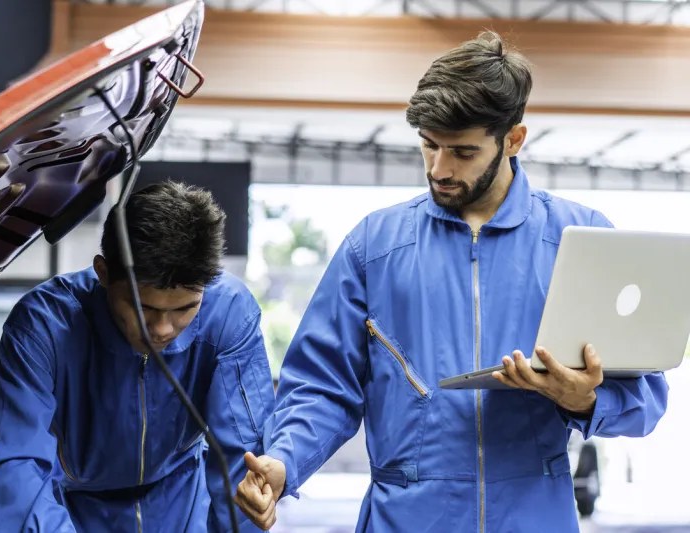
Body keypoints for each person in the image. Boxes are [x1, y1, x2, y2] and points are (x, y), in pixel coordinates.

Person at [234, 32, 670, 532]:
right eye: (428, 146)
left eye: (462, 151)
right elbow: (322, 387)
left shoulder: (580, 242)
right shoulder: (373, 248)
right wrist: (284, 460)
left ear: (513, 140)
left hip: (535, 517)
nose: (439, 169)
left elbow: (646, 400)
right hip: (405, 520)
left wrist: (584, 401)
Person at [0, 181, 275, 532]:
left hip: (183, 505)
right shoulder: (44, 325)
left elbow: (243, 459)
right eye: (142, 307)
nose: (162, 329)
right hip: (70, 512)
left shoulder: (229, 313)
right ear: (103, 273)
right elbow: (13, 466)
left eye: (184, 309)